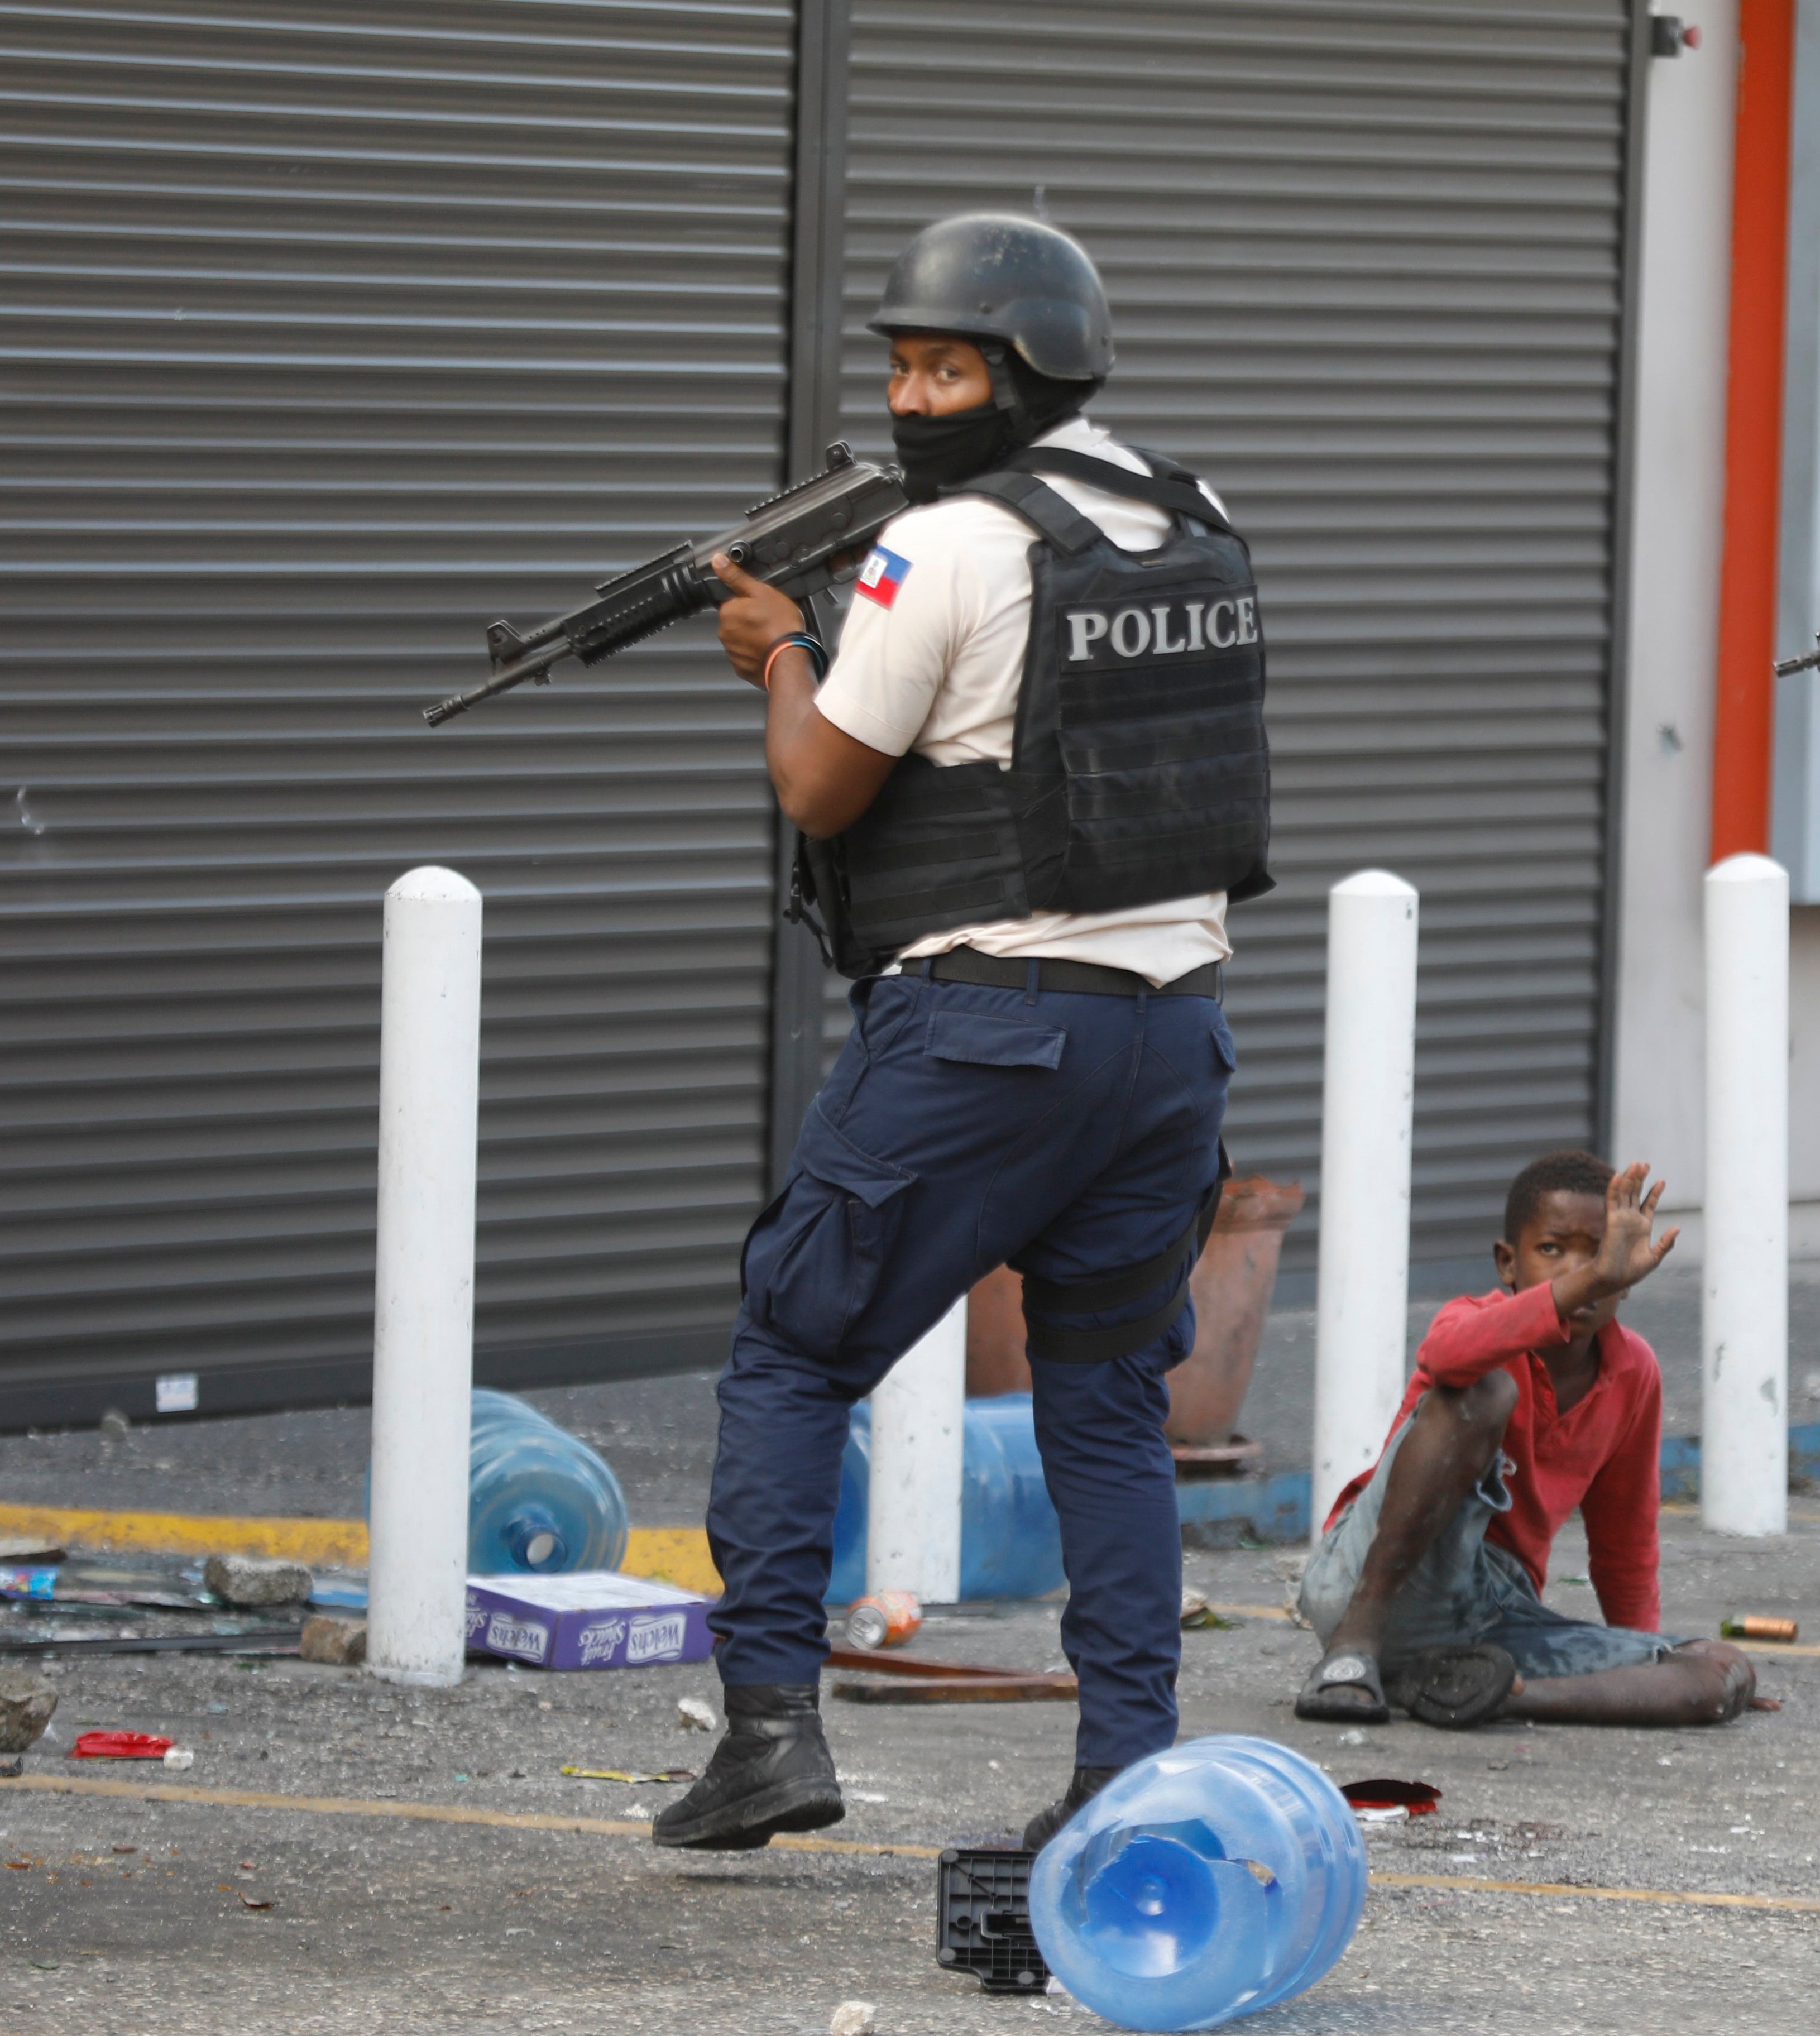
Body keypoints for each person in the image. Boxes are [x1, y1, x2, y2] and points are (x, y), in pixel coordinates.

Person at [656, 212, 1274, 1852]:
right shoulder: (1191, 518)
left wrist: (778, 649)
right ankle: (1126, 1769)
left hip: (986, 1031)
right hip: (1170, 1041)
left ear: (1030, 371)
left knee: (793, 1348)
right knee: (1100, 1403)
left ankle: (771, 1731)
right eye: (902, 368)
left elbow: (821, 782)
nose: (917, 400)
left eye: (948, 368)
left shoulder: (938, 549)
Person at [1292, 1152, 1756, 1730]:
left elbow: (1625, 1545)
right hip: (1372, 1575)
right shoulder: (1477, 1322)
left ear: (1627, 1276)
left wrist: (1647, 1657)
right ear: (1506, 1263)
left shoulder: (1633, 1372)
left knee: (1718, 1667)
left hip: (1489, 1620)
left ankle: (1490, 1693)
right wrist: (1589, 1280)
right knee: (1480, 1391)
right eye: (1553, 1249)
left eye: (1599, 1252)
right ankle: (1352, 1651)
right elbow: (1444, 1358)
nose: (1580, 1269)